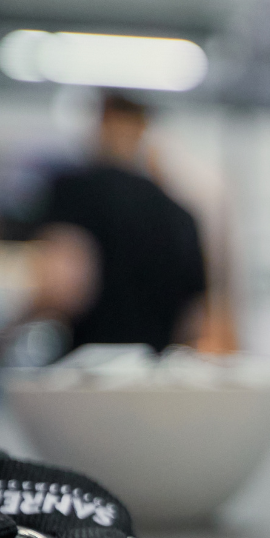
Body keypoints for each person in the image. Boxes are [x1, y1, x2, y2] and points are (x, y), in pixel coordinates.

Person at [32, 92, 207, 352]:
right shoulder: (181, 214)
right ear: (143, 128)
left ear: (102, 121)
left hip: (84, 372)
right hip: (153, 376)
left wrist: (3, 334)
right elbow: (196, 319)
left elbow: (62, 288)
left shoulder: (73, 191)